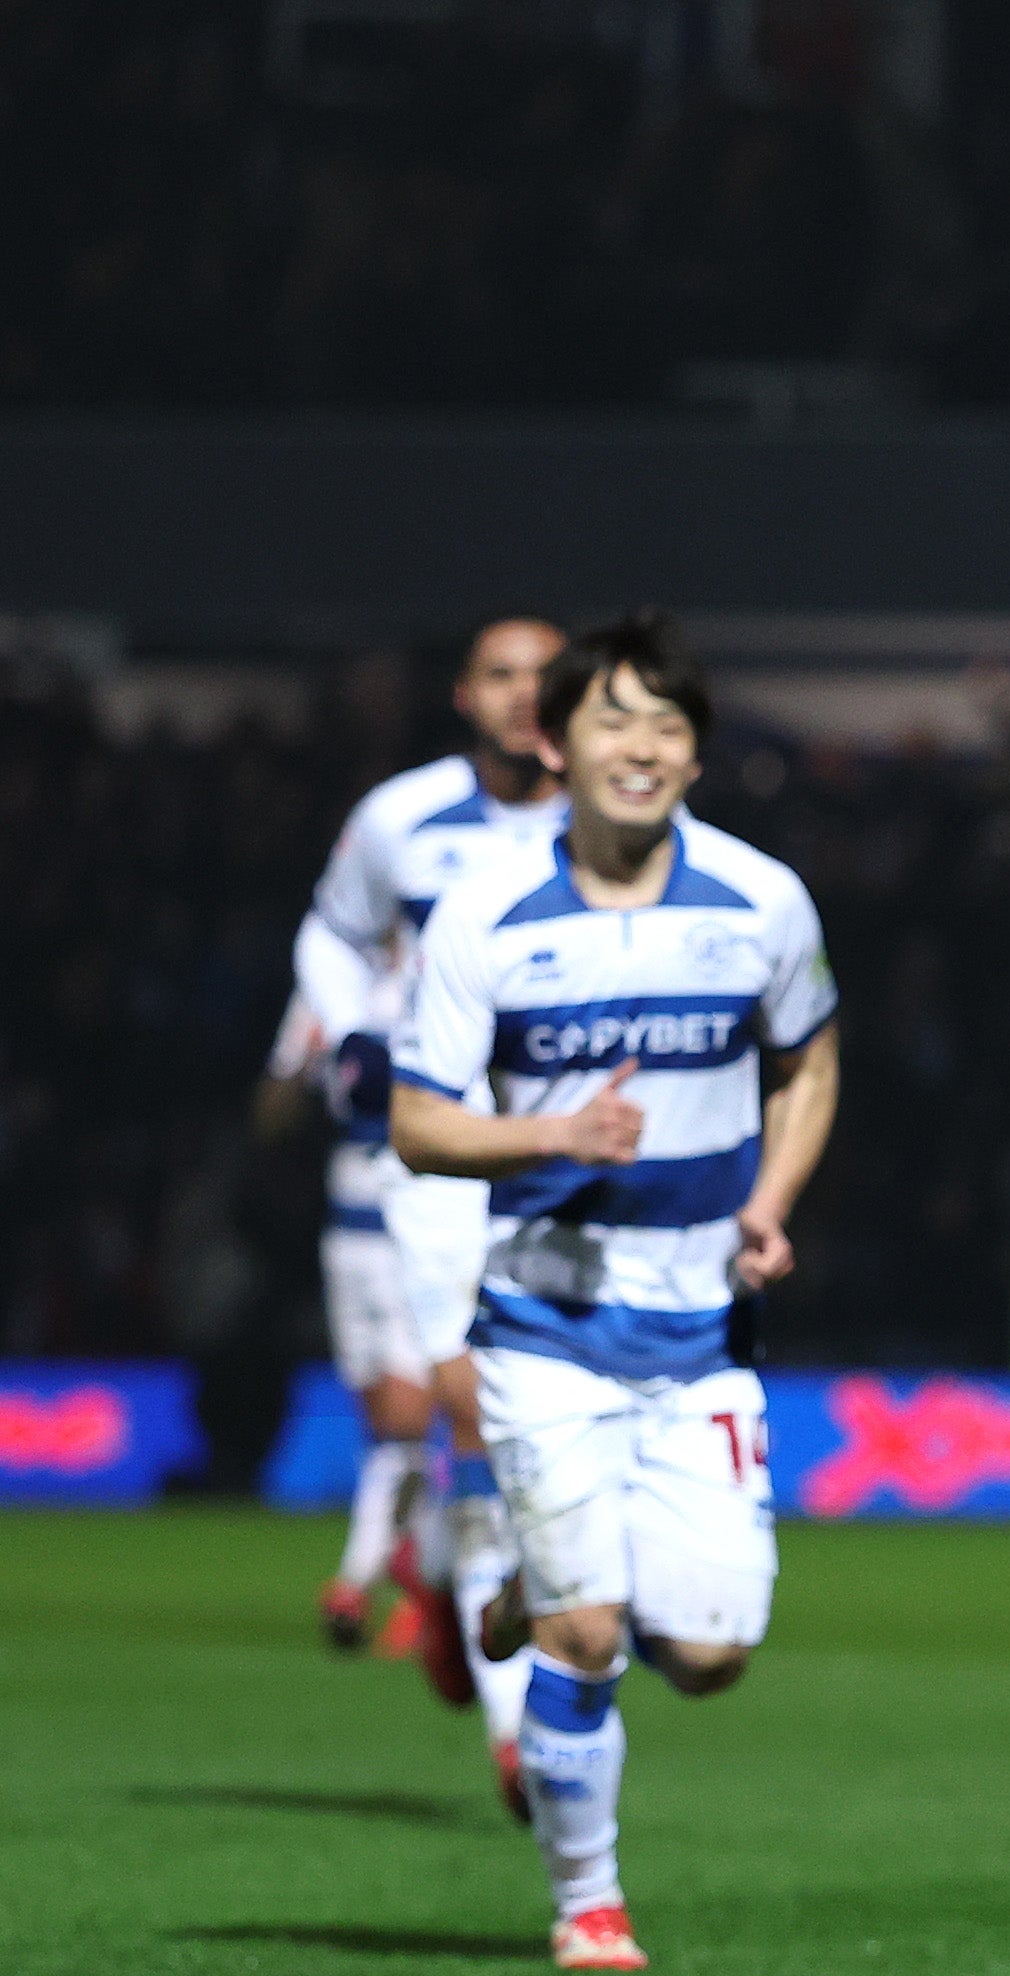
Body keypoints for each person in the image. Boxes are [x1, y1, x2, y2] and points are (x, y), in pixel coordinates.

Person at [390, 611, 841, 1973]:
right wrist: (556, 1133)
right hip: (543, 1321)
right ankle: (587, 1900)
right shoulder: (485, 916)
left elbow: (808, 1064)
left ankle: (537, 1579)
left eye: (668, 723)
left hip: (702, 1330)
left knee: (708, 1655)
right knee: (589, 1636)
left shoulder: (762, 902)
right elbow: (418, 1122)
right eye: (613, 720)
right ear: (556, 743)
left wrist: (771, 1201)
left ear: (695, 755)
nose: (641, 746)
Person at [291, 614, 571, 1803]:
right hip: (445, 1150)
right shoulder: (401, 817)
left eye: (545, 677)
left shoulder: (615, 821)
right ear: (464, 694)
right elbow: (331, 930)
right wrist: (356, 1035)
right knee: (470, 1406)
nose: (525, 695)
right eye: (502, 674)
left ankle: (455, 1588)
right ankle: (520, 1733)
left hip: (575, 1157)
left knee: (545, 1434)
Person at [254, 963, 427, 1656]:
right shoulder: (328, 982)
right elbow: (269, 1119)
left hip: (419, 1218)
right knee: (382, 1421)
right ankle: (420, 1579)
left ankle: (361, 1581)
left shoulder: (437, 964)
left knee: (408, 1417)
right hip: (347, 1231)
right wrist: (298, 1062)